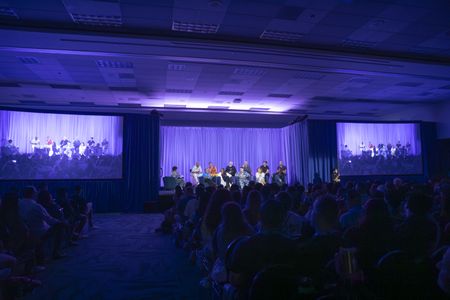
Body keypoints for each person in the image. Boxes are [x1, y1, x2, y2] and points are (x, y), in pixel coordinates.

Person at [228, 200, 297, 294]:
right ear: (283, 219)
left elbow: (234, 279)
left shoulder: (245, 245)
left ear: (259, 217)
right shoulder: (293, 246)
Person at [18, 186, 65, 262]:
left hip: (22, 230)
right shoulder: (36, 206)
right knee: (59, 227)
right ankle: (56, 253)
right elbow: (50, 220)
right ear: (33, 194)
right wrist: (61, 222)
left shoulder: (18, 203)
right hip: (38, 231)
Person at [211, 202, 254, 283]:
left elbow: (215, 249)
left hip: (226, 269)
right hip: (246, 269)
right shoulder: (249, 229)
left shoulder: (219, 230)